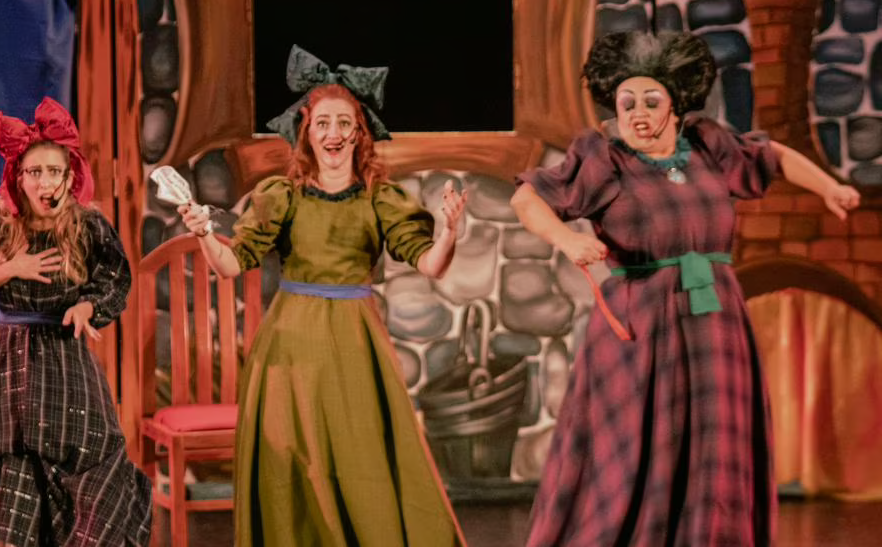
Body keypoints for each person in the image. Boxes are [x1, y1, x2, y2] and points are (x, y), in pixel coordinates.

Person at [512, 31, 861, 547]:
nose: (638, 113)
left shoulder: (705, 144)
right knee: (635, 446)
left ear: (675, 103)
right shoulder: (604, 158)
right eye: (627, 103)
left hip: (715, 320)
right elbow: (528, 198)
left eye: (651, 101)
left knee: (714, 442)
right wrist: (565, 239)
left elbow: (773, 156)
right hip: (641, 322)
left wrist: (830, 187)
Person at [177, 45, 469, 546]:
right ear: (307, 133)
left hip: (356, 344)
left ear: (360, 133)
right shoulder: (282, 196)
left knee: (362, 459)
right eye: (323, 124)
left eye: (344, 123)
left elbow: (430, 264)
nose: (333, 134)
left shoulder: (380, 198)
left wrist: (449, 232)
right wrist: (204, 232)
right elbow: (230, 264)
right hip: (291, 347)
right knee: (294, 462)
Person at [0, 97, 151, 547]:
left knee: (87, 481)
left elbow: (114, 281)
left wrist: (87, 307)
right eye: (36, 172)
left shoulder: (88, 224)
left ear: (70, 176)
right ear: (19, 177)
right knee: (3, 477)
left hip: (66, 363)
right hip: (11, 366)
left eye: (55, 171)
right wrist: (13, 267)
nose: (46, 182)